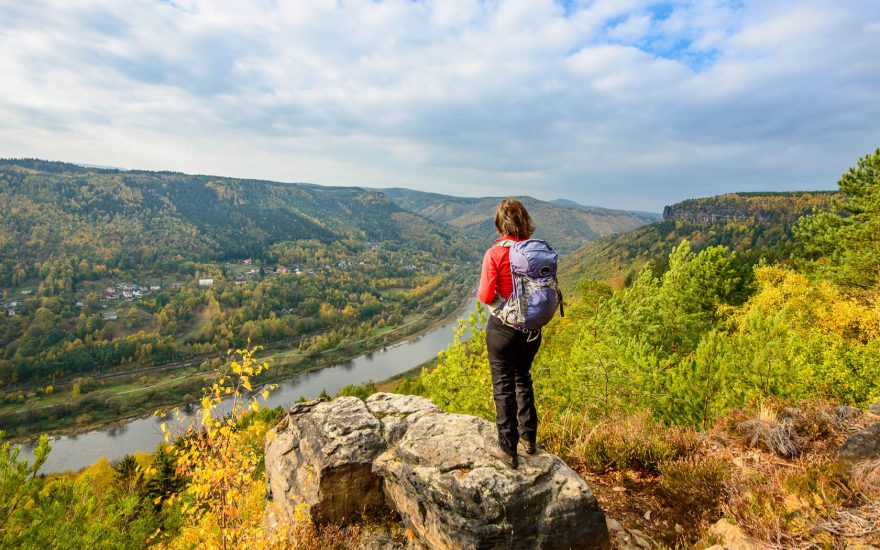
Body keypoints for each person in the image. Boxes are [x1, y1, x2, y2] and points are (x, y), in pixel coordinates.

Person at [478, 198, 541, 469]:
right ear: (525, 221)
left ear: (499, 223)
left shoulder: (495, 253)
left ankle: (507, 448)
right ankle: (529, 439)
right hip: (532, 331)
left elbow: (484, 295)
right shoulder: (537, 251)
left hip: (504, 330)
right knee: (522, 378)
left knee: (503, 385)